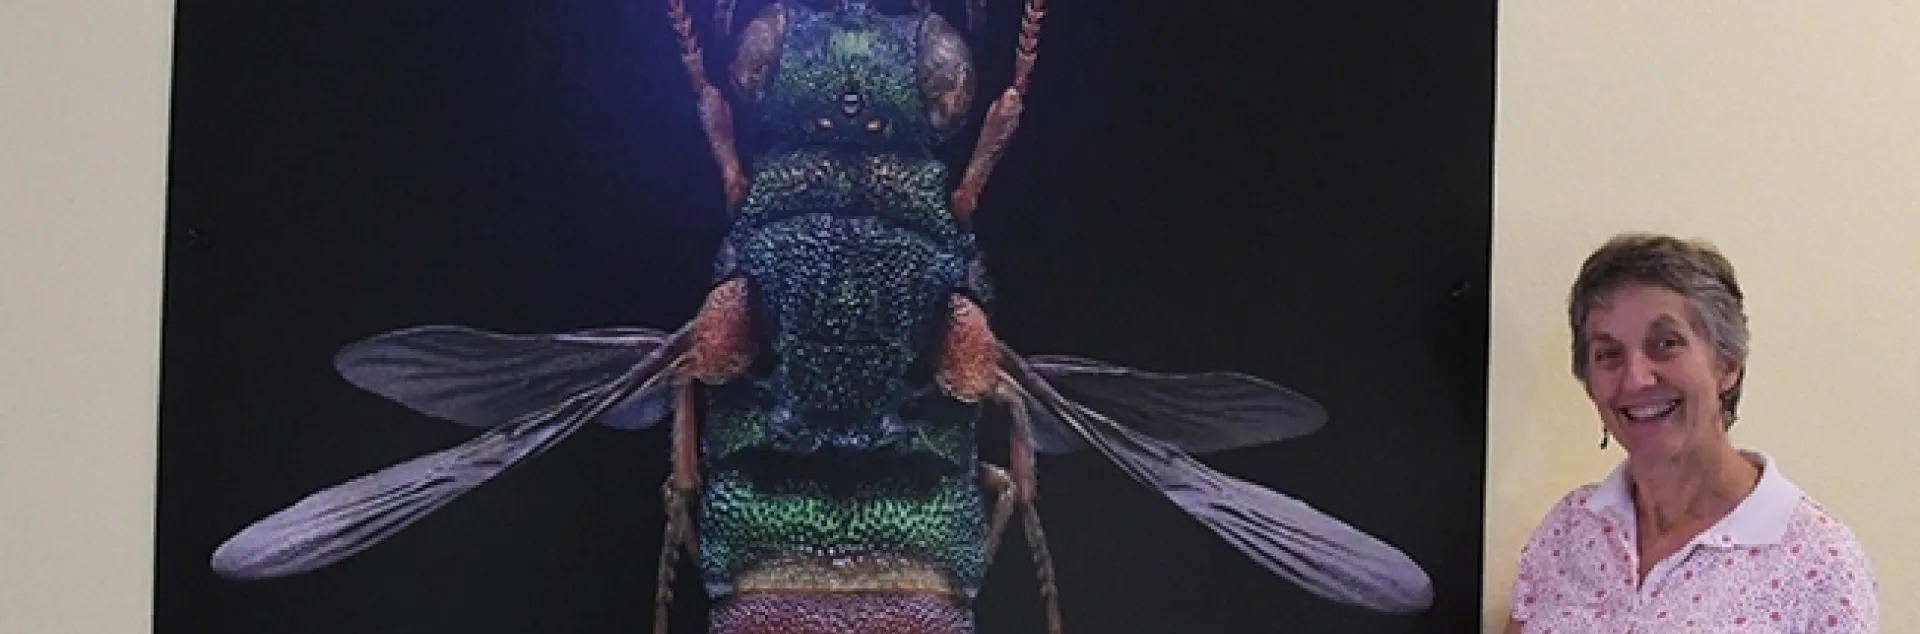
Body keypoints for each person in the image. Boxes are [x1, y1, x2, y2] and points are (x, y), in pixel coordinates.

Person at [1502, 232, 1878, 634]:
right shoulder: (1568, 530)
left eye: (1666, 344)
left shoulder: (1819, 563)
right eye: (1609, 354)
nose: (1636, 379)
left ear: (1727, 364)